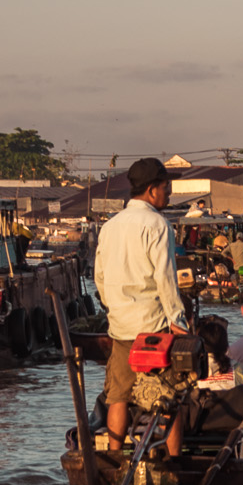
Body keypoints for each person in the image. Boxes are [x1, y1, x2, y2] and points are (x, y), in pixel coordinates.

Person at [92, 158, 190, 441]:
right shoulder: (157, 224)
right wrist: (177, 320)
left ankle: (114, 456)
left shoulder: (110, 226)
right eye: (165, 186)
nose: (169, 192)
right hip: (153, 326)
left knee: (118, 396)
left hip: (121, 327)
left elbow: (99, 277)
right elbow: (165, 278)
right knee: (171, 396)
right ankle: (173, 462)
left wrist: (113, 310)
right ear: (151, 190)